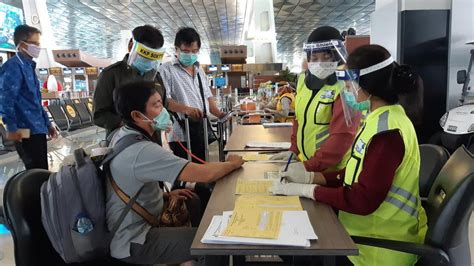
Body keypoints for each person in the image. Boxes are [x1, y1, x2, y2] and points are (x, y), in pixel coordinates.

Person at [272, 44, 427, 266]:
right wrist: (310, 177)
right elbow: (355, 173)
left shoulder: (387, 132)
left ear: (367, 85)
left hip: (376, 248)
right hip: (360, 232)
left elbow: (362, 199)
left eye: (348, 81)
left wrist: (307, 190)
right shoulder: (377, 118)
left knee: (297, 248)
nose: (345, 88)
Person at [107, 80, 244, 265]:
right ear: (137, 115)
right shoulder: (141, 150)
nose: (163, 110)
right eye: (156, 105)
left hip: (135, 225)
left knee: (193, 199)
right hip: (134, 241)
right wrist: (233, 164)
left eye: (161, 103)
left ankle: (185, 259)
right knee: (214, 241)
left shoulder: (121, 135)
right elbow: (204, 174)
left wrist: (164, 195)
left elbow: (130, 183)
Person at [270, 26, 360, 174]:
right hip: (307, 165)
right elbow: (299, 120)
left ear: (337, 57)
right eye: (314, 58)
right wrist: (294, 150)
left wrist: (308, 167)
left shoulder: (347, 85)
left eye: (327, 58)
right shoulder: (303, 80)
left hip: (333, 172)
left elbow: (343, 136)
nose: (320, 64)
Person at [159, 27, 226, 162]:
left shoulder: (199, 69)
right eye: (185, 51)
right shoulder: (167, 69)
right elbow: (164, 100)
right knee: (188, 175)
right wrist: (186, 109)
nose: (190, 55)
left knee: (204, 171)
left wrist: (220, 114)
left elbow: (207, 97)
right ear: (176, 49)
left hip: (202, 130)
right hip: (182, 134)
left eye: (194, 51)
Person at [93, 25, 167, 138]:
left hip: (152, 140)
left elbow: (163, 105)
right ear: (131, 46)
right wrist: (131, 124)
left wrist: (164, 119)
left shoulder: (155, 76)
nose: (150, 62)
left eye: (153, 58)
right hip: (122, 140)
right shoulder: (111, 74)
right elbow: (99, 115)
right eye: (145, 56)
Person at [0, 25, 58, 170]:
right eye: (35, 43)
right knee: (34, 172)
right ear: (22, 44)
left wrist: (48, 124)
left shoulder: (28, 67)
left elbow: (35, 102)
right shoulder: (13, 67)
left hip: (37, 129)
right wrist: (13, 130)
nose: (38, 47)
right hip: (23, 130)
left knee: (42, 170)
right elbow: (6, 101)